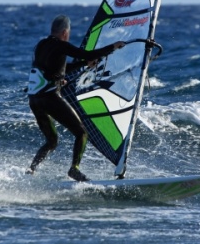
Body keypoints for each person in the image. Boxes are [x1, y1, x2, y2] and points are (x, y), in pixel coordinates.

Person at [26, 15, 125, 182]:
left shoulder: (41, 45)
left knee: (51, 141)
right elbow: (85, 53)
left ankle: (31, 170)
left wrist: (84, 64)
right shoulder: (61, 45)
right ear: (65, 32)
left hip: (35, 100)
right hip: (50, 98)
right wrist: (113, 47)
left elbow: (58, 69)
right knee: (81, 133)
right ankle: (74, 169)